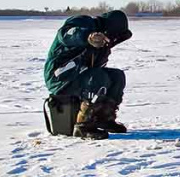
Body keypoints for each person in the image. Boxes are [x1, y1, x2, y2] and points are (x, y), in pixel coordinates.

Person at [43, 10, 132, 140]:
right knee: (98, 77)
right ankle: (83, 125)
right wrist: (88, 37)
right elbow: (66, 34)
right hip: (59, 77)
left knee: (117, 76)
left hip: (78, 76)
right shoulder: (83, 22)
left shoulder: (104, 43)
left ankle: (104, 118)